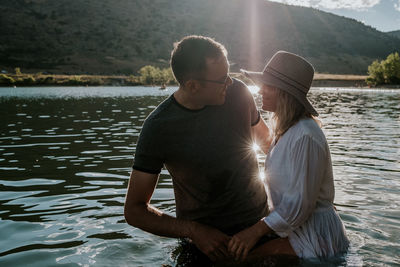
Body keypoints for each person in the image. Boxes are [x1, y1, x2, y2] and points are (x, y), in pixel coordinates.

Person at [124, 35, 271, 263]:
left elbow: (269, 145)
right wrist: (194, 231)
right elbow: (134, 210)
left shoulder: (240, 94)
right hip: (205, 247)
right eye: (222, 79)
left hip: (259, 232)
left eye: (229, 74)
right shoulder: (158, 128)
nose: (230, 83)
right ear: (193, 86)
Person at [228, 51, 350, 261]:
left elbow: (299, 206)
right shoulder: (286, 131)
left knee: (238, 260)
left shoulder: (305, 135)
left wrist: (254, 232)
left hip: (314, 237)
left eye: (269, 86)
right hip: (297, 228)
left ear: (285, 93)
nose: (260, 91)